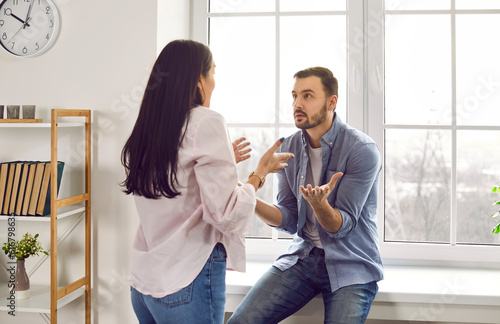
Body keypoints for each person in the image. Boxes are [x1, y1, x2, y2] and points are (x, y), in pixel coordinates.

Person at [121, 39, 293, 324]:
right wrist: (258, 175)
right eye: (213, 72)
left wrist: (224, 164)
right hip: (186, 277)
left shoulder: (149, 125)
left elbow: (173, 183)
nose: (215, 81)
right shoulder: (206, 121)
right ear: (198, 80)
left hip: (145, 285)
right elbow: (225, 214)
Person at [228, 67, 383, 324]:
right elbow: (288, 219)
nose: (297, 104)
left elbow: (340, 227)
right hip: (303, 257)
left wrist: (320, 206)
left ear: (332, 102)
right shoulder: (289, 147)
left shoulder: (361, 149)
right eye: (294, 95)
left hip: (351, 263)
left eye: (308, 96)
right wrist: (245, 195)